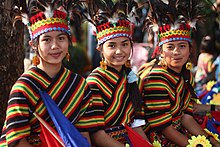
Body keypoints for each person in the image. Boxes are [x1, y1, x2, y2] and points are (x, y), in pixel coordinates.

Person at [0, 1, 98, 146]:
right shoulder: (24, 88)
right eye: (46, 39)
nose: (55, 46)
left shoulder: (79, 85)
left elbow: (83, 135)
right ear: (34, 45)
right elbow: (18, 141)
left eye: (61, 38)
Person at [139, 0, 220, 146]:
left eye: (182, 46)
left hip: (179, 132)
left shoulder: (186, 74)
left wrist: (210, 141)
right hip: (160, 139)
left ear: (190, 50)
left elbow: (186, 117)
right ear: (161, 52)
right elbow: (164, 128)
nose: (176, 52)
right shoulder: (156, 79)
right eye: (170, 47)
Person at [83, 0, 149, 146]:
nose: (119, 51)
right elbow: (97, 134)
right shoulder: (94, 83)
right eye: (112, 45)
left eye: (124, 44)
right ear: (100, 48)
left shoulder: (133, 79)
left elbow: (136, 126)